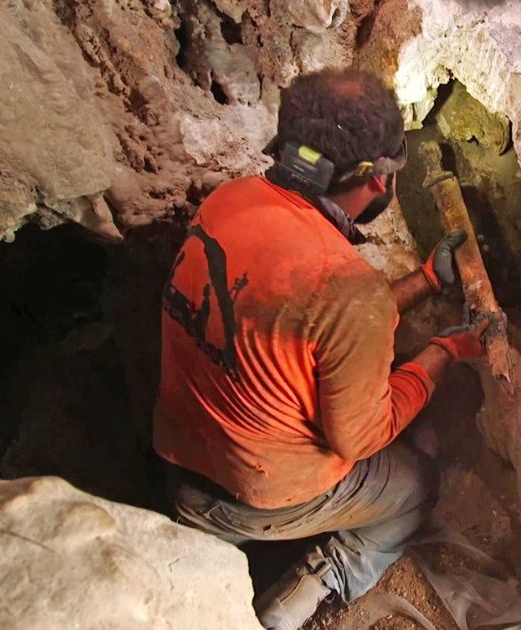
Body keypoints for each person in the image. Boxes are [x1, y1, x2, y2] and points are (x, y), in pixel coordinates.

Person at [153, 68, 489, 630]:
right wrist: (444, 352)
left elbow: (307, 316)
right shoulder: (346, 288)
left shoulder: (230, 201)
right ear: (378, 180)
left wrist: (427, 280)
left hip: (179, 462)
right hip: (251, 498)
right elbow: (360, 435)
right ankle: (311, 588)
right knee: (414, 486)